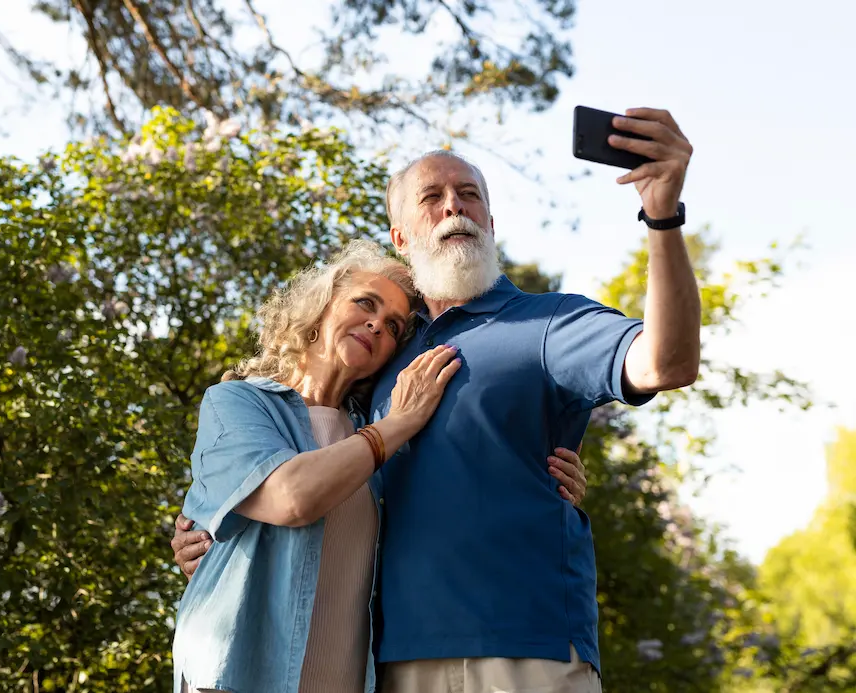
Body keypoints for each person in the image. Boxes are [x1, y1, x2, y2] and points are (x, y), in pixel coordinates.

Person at [174, 106, 698, 692]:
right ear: (401, 238)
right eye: (432, 197)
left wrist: (662, 216)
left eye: (469, 194)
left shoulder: (549, 321)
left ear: (491, 222)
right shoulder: (376, 366)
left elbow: (667, 362)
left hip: (525, 645)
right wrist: (207, 525)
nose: (454, 206)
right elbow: (294, 466)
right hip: (389, 662)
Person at [171, 239, 591, 693]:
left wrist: (544, 472)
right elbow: (292, 498)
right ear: (321, 305)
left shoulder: (370, 430)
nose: (376, 323)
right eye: (364, 303)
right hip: (239, 675)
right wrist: (401, 422)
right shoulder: (238, 401)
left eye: (393, 325)